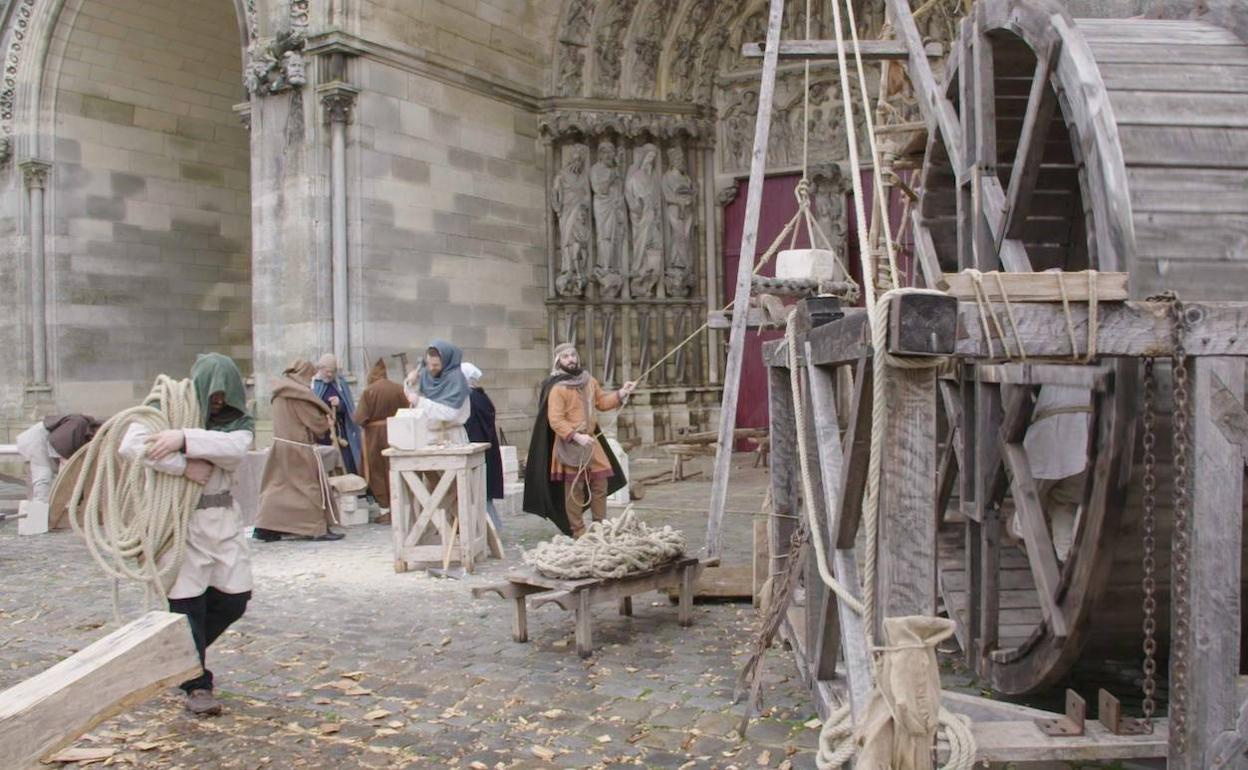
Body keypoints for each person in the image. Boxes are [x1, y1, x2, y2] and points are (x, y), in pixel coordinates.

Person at [118, 353, 255, 716]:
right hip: (183, 519)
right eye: (214, 395)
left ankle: (173, 657)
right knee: (187, 602)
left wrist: (181, 437)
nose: (219, 403)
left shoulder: (238, 421)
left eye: (225, 396)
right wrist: (182, 465)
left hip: (223, 518)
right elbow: (132, 444)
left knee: (235, 597)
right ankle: (197, 683)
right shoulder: (163, 404)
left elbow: (235, 447)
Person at [523, 343, 636, 538]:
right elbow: (556, 420)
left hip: (591, 442)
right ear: (559, 361)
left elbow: (602, 402)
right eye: (565, 356)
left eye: (573, 355)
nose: (571, 359)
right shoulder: (557, 387)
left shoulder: (589, 381)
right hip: (570, 444)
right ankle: (578, 531)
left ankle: (599, 526)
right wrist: (576, 436)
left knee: (601, 483)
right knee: (574, 489)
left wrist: (621, 393)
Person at [254, 359, 344, 542]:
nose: (311, 380)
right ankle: (315, 528)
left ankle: (266, 527)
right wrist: (327, 422)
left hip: (280, 447)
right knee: (309, 489)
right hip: (299, 449)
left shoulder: (280, 393)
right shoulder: (299, 395)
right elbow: (316, 424)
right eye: (310, 376)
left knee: (277, 489)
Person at [1012, 384, 1092, 563]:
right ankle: (1064, 564)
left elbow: (1009, 401)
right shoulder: (1091, 362)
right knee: (1065, 506)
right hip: (1083, 439)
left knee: (1025, 517)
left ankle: (1045, 565)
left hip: (1048, 440)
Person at [353, 358, 407, 523]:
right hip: (396, 432)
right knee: (394, 468)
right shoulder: (399, 389)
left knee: (377, 472)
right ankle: (399, 507)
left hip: (375, 436)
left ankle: (386, 510)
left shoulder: (369, 391)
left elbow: (360, 418)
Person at [15, 413, 100, 503]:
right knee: (43, 477)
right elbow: (58, 445)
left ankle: (43, 507)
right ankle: (38, 512)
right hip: (39, 439)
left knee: (48, 478)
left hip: (49, 440)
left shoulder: (84, 431)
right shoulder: (79, 425)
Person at [462, 362, 504, 531]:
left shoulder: (471, 399)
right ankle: (491, 529)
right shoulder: (479, 396)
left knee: (480, 494)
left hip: (479, 452)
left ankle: (492, 530)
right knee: (482, 495)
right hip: (486, 451)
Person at [403, 340, 471, 442]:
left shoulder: (457, 380)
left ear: (446, 362)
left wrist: (420, 402)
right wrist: (410, 382)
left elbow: (449, 413)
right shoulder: (426, 375)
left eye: (435, 365)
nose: (431, 368)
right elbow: (412, 397)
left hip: (452, 438)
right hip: (429, 437)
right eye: (429, 364)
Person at [312, 354, 363, 476]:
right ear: (321, 369)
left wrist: (339, 404)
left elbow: (349, 406)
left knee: (345, 461)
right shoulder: (314, 384)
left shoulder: (340, 383)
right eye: (327, 371)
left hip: (340, 432)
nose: (329, 375)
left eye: (332, 372)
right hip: (321, 432)